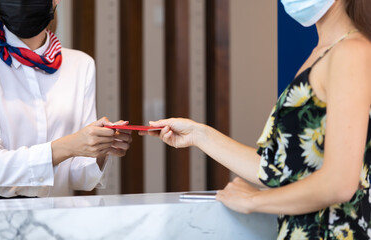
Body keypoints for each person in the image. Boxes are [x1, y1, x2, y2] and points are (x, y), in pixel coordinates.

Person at [142, 0, 371, 238]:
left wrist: (255, 199)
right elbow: (282, 170)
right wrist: (199, 135)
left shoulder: (351, 51)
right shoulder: (323, 53)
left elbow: (340, 182)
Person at [0, 0, 132, 201]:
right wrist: (70, 145)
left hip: (50, 213)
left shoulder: (81, 64)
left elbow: (77, 175)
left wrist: (100, 147)